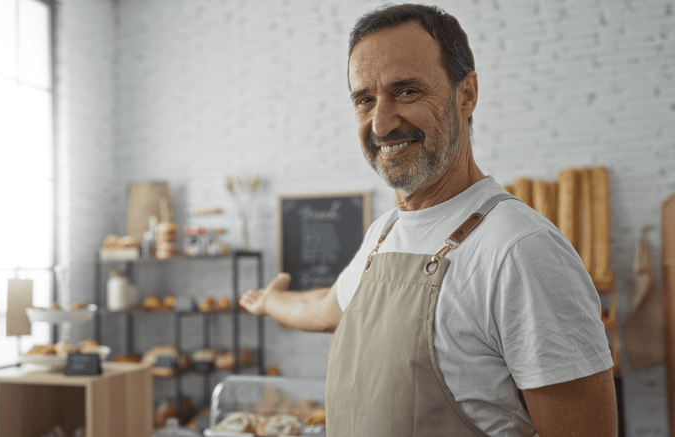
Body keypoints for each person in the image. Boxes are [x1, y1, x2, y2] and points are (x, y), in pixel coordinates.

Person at [239, 4, 617, 436]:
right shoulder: (384, 234)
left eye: (407, 91)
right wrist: (270, 302)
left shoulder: (520, 250)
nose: (381, 123)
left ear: (466, 94)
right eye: (365, 99)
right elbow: (327, 310)